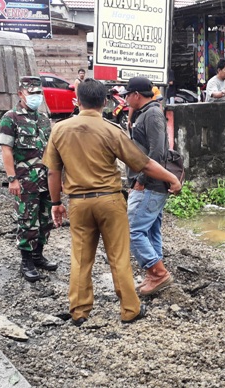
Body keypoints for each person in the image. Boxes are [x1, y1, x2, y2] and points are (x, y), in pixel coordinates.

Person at [43, 79, 181, 325]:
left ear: (78, 100)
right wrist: (171, 177)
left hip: (78, 203)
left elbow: (53, 172)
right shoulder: (111, 130)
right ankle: (130, 309)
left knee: (81, 259)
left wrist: (56, 203)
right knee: (118, 256)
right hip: (109, 201)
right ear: (105, 102)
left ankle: (79, 311)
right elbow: (145, 163)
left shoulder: (59, 129)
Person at [0, 76, 58, 282]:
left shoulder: (43, 119)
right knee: (27, 221)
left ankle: (38, 255)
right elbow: (6, 150)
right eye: (32, 93)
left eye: (38, 93)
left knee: (45, 220)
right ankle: (26, 261)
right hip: (25, 181)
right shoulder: (11, 118)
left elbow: (51, 149)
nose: (36, 97)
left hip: (47, 180)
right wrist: (11, 179)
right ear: (20, 94)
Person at [123, 77, 176, 296]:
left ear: (136, 95)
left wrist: (142, 181)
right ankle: (154, 275)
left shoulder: (152, 114)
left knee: (134, 231)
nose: (125, 99)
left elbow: (158, 153)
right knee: (150, 230)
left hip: (149, 185)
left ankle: (158, 273)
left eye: (127, 94)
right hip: (150, 184)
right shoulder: (144, 113)